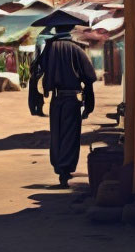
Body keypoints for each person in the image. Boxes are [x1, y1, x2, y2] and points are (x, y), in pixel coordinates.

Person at [29, 11, 96, 188]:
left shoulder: (48, 49)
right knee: (70, 136)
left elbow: (35, 74)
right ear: (72, 28)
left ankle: (61, 169)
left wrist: (37, 101)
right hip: (73, 100)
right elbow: (88, 79)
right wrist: (89, 104)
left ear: (55, 28)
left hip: (56, 100)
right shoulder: (77, 49)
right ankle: (65, 170)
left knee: (57, 135)